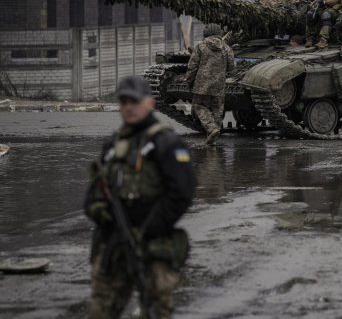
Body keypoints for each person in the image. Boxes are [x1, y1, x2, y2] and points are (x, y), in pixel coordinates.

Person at [84, 75, 195, 318]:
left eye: (134, 101)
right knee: (101, 308)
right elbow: (96, 188)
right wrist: (99, 211)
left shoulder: (166, 143)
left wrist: (150, 227)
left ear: (150, 103)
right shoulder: (113, 145)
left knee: (156, 309)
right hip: (114, 243)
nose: (129, 107)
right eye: (124, 102)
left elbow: (182, 193)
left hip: (153, 244)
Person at [185, 24, 235, 145]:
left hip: (202, 85)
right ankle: (213, 137)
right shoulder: (226, 48)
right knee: (217, 110)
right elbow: (231, 68)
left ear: (205, 34)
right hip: (219, 85)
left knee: (199, 106)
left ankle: (211, 129)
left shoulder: (200, 46)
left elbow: (192, 67)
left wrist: (188, 81)